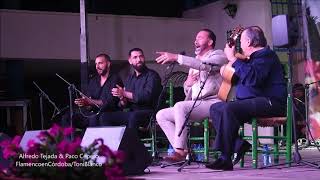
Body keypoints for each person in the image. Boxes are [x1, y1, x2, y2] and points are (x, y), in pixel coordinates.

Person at [206, 26, 287, 171]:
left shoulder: (266, 55)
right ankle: (239, 145)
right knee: (216, 108)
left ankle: (225, 157)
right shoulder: (249, 60)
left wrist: (232, 58)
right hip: (251, 102)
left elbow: (253, 79)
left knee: (229, 109)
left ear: (248, 42)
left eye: (241, 41)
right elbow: (239, 77)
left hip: (270, 102)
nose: (240, 46)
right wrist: (230, 66)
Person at [155, 29, 228, 162]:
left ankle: (178, 151)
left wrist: (177, 57)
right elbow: (189, 90)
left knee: (180, 106)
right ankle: (186, 151)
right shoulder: (194, 62)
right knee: (161, 115)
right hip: (196, 104)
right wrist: (187, 84)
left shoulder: (219, 55)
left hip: (213, 103)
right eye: (195, 38)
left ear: (210, 41)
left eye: (200, 37)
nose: (196, 40)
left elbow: (205, 65)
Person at [99, 48, 162, 129]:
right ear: (130, 61)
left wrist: (124, 93)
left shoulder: (152, 75)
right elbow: (124, 105)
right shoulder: (129, 79)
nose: (139, 59)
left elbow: (146, 97)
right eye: (135, 57)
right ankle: (113, 141)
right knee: (105, 117)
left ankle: (130, 141)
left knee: (133, 116)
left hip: (149, 112)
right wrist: (122, 98)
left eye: (141, 56)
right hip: (132, 112)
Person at [60, 53, 123, 128]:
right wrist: (84, 103)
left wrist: (90, 102)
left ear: (108, 64)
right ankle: (70, 139)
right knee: (67, 118)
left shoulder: (115, 79)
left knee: (94, 119)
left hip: (107, 113)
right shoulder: (93, 80)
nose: (97, 66)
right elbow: (89, 98)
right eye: (96, 64)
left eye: (100, 63)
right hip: (91, 113)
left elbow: (109, 102)